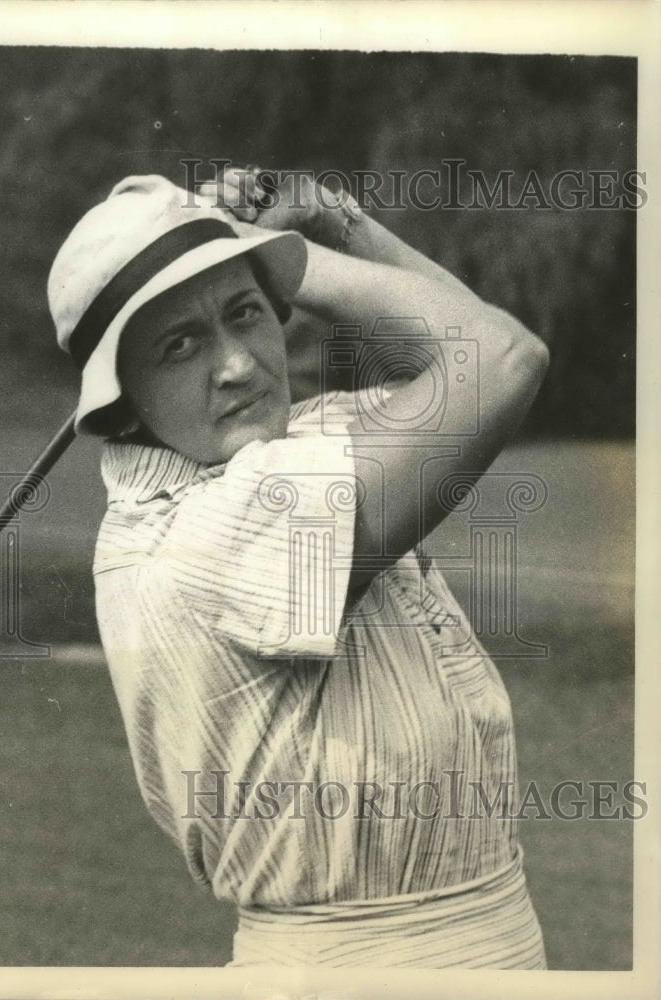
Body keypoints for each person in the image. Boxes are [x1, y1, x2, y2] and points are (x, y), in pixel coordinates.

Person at [48, 165, 550, 968]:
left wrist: (330, 217)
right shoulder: (206, 535)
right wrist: (291, 255)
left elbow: (471, 346)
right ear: (122, 402)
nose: (239, 365)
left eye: (247, 314)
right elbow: (505, 357)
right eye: (181, 346)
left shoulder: (296, 451)